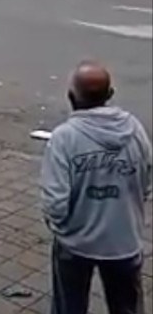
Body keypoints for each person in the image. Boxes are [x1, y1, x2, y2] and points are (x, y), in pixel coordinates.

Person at [40, 61, 151, 314]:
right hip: (123, 241)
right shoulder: (135, 130)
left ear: (71, 96)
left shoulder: (65, 137)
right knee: (127, 307)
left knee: (69, 306)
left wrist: (62, 230)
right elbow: (146, 181)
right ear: (110, 95)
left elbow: (55, 201)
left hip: (76, 243)